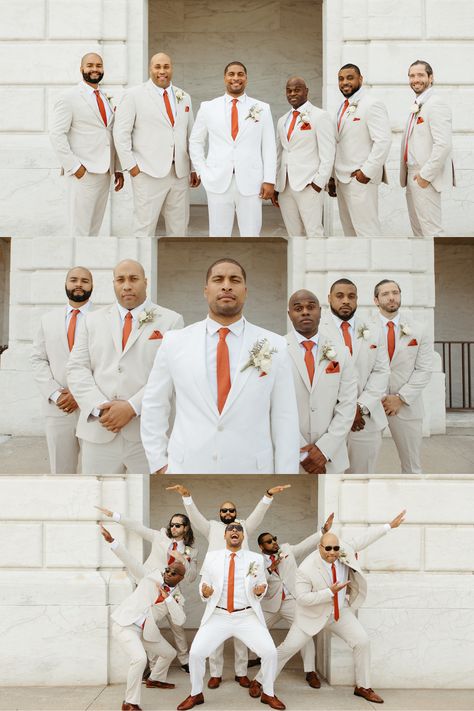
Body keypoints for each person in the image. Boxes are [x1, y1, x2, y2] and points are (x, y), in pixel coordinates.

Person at [141, 258, 300, 474]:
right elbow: (154, 405)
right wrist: (159, 464)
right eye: (218, 279)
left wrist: (285, 474)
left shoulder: (275, 345)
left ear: (245, 290)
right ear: (206, 290)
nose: (226, 285)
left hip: (252, 471)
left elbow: (285, 419)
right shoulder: (174, 342)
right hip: (187, 467)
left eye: (234, 280)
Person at [250, 511, 406, 704]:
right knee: (287, 649)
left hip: (339, 612)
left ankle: (363, 686)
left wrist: (389, 526)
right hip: (311, 614)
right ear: (320, 548)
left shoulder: (343, 550)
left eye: (336, 548)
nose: (333, 552)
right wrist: (329, 592)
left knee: (362, 641)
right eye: (328, 549)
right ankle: (258, 680)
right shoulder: (306, 569)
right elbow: (303, 599)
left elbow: (364, 539)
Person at [167, 483, 290, 688]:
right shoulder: (212, 527)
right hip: (216, 588)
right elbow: (196, 517)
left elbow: (258, 514)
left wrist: (267, 495)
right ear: (219, 513)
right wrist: (186, 496)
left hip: (242, 586)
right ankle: (215, 673)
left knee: (242, 636)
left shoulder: (243, 527)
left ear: (236, 513)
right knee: (215, 635)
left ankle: (241, 673)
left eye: (231, 510)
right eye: (224, 510)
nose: (228, 513)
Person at [67, 259, 183, 473]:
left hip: (147, 435)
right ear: (113, 284)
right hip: (99, 431)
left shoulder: (171, 321)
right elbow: (76, 368)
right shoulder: (91, 320)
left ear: (145, 282)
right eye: (120, 280)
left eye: (133, 279)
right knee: (96, 496)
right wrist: (100, 408)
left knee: (145, 496)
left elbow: (171, 375)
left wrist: (131, 407)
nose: (127, 285)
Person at [177, 524, 285, 711]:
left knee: (270, 653)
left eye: (239, 529)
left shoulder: (255, 558)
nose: (235, 531)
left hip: (247, 615)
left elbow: (261, 583)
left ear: (243, 536)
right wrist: (205, 590)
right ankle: (196, 694)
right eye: (231, 529)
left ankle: (268, 693)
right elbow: (204, 582)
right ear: (225, 535)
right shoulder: (212, 557)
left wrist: (260, 590)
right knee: (196, 654)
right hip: (218, 615)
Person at [98, 507, 197, 673]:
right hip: (150, 584)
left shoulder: (190, 551)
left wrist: (183, 561)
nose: (173, 528)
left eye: (178, 525)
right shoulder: (160, 537)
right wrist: (114, 516)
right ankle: (152, 666)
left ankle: (184, 660)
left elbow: (192, 576)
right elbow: (138, 527)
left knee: (178, 627)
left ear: (185, 528)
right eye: (172, 525)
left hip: (171, 591)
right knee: (149, 626)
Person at [113, 52, 199, 237]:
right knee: (144, 228)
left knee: (179, 229)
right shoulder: (133, 95)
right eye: (157, 67)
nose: (162, 71)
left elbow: (190, 135)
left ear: (172, 68)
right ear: (150, 69)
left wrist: (193, 168)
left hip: (180, 174)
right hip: (147, 172)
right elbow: (121, 134)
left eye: (166, 67)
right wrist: (132, 167)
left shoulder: (184, 97)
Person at [189, 61, 276, 236]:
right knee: (218, 234)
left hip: (252, 182)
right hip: (217, 180)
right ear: (224, 78)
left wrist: (269, 179)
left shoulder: (262, 108)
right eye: (231, 74)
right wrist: (202, 171)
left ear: (246, 78)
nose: (236, 78)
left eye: (240, 74)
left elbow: (269, 147)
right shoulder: (208, 107)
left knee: (251, 234)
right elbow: (195, 141)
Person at [249, 512, 334, 688]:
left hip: (291, 601)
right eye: (269, 541)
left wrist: (322, 532)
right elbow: (254, 581)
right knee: (249, 629)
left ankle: (310, 671)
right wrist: (270, 569)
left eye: (274, 539)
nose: (274, 542)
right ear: (260, 546)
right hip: (269, 604)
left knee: (305, 632)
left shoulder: (286, 550)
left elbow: (305, 546)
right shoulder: (256, 561)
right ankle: (250, 662)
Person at [49, 52, 123, 236]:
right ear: (81, 68)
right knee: (79, 230)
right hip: (84, 173)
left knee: (94, 229)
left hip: (105, 171)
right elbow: (57, 134)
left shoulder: (106, 97)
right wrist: (75, 168)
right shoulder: (69, 97)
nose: (94, 69)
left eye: (98, 65)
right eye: (90, 65)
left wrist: (118, 168)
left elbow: (112, 134)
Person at [321, 279, 390, 473]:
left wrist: (360, 407)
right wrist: (346, 411)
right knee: (330, 478)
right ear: (329, 299)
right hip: (328, 420)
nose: (346, 301)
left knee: (362, 478)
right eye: (340, 296)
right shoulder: (317, 329)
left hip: (365, 420)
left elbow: (381, 371)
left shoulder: (373, 328)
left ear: (357, 300)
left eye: (351, 296)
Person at [30, 267, 94, 473]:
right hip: (58, 409)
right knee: (61, 472)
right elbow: (38, 360)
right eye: (73, 280)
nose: (78, 284)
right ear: (65, 284)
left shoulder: (104, 318)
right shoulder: (47, 320)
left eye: (85, 281)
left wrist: (79, 393)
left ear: (92, 286)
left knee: (98, 471)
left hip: (92, 409)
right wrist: (57, 394)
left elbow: (108, 363)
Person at [286, 289, 357, 474]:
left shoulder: (341, 352)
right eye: (298, 308)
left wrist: (324, 450)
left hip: (331, 458)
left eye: (311, 307)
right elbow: (272, 408)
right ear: (289, 314)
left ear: (320, 311)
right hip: (290, 456)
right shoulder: (275, 351)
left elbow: (348, 405)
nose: (305, 312)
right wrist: (302, 452)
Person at [373, 279, 433, 473]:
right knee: (360, 466)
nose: (391, 297)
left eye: (395, 292)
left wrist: (401, 398)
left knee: (412, 468)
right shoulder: (363, 329)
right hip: (372, 405)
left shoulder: (419, 329)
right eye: (385, 294)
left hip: (407, 405)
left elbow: (424, 369)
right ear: (376, 300)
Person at [111, 559, 186, 711]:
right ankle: (129, 703)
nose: (169, 574)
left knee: (169, 653)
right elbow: (130, 560)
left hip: (146, 631)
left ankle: (155, 679)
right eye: (167, 570)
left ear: (181, 578)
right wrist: (113, 543)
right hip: (126, 625)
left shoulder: (177, 598)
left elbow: (180, 620)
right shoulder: (150, 577)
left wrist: (169, 599)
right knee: (139, 658)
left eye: (174, 573)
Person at [328, 63, 391, 237]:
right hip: (341, 180)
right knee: (350, 233)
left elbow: (383, 141)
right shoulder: (342, 107)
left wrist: (366, 172)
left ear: (360, 79)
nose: (344, 82)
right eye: (341, 79)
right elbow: (337, 144)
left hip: (360, 180)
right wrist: (332, 177)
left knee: (368, 232)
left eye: (350, 78)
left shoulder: (372, 104)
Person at [273, 76, 335, 238]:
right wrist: (275, 185)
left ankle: (318, 263)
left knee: (314, 232)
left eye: (297, 90)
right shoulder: (282, 120)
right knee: (294, 234)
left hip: (308, 185)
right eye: (289, 90)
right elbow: (279, 154)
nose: (292, 93)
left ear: (306, 91)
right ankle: (299, 263)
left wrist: (318, 184)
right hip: (285, 187)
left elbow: (328, 153)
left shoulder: (320, 116)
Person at [400, 60, 455, 237]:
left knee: (432, 232)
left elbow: (443, 144)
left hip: (424, 176)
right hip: (411, 176)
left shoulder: (436, 104)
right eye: (412, 75)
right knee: (418, 233)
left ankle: (441, 265)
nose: (416, 79)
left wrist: (425, 176)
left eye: (420, 75)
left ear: (431, 78)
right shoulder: (417, 104)